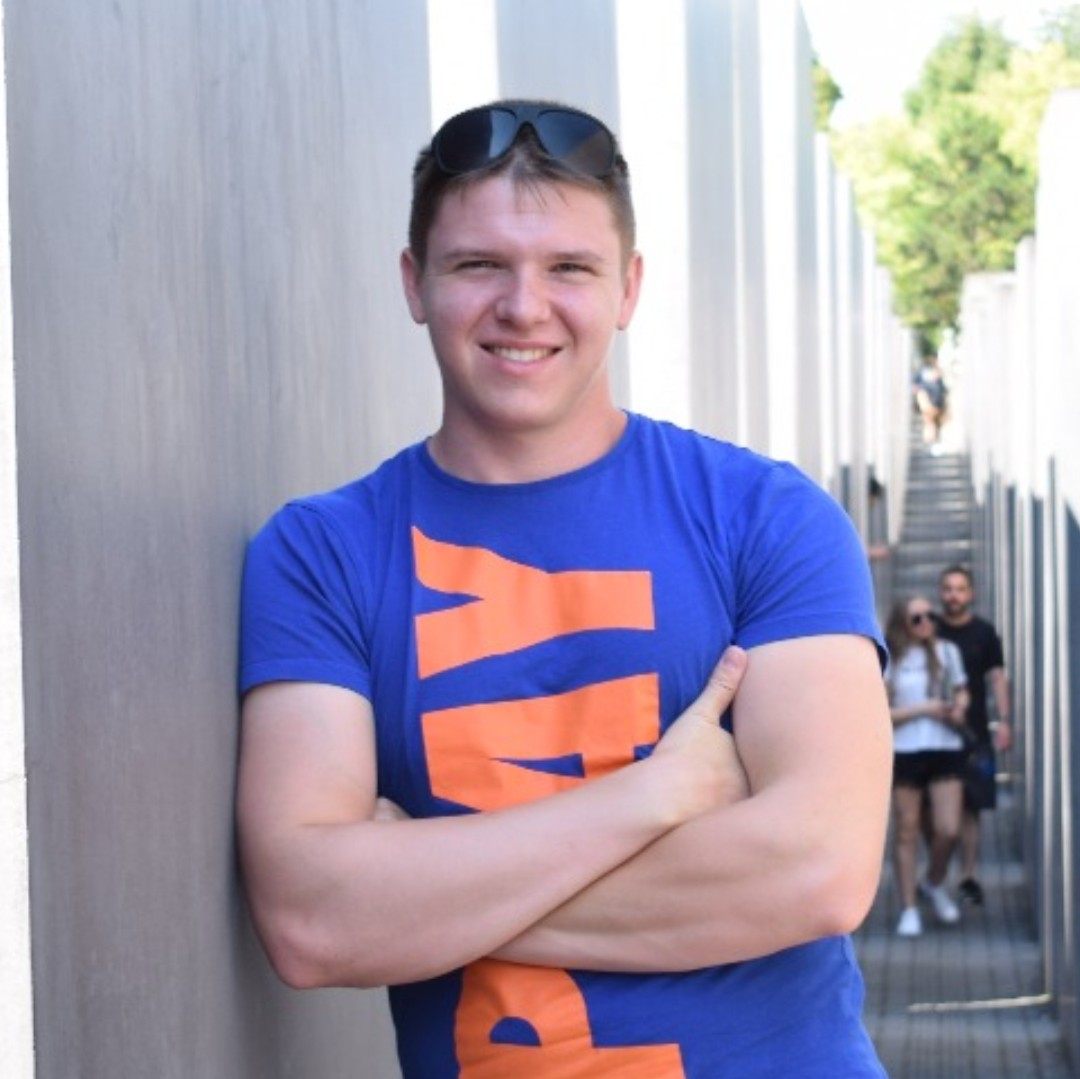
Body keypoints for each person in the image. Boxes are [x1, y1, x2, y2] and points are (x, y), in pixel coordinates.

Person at [236, 98, 893, 1077]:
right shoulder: (320, 553)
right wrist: (652, 797)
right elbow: (310, 919)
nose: (524, 306)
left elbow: (820, 869)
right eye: (479, 265)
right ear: (414, 283)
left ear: (628, 287)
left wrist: (422, 894)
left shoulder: (765, 516)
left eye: (569, 269)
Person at [884, 596, 971, 938]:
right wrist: (925, 709)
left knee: (948, 829)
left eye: (929, 615)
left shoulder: (948, 652)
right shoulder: (892, 659)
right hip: (905, 749)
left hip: (944, 746)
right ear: (902, 623)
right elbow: (882, 711)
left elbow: (962, 690)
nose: (925, 623)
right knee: (906, 830)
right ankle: (908, 907)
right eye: (916, 618)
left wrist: (958, 707)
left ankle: (933, 882)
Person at [934, 564, 1012, 906]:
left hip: (975, 733)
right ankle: (936, 875)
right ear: (941, 593)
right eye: (948, 588)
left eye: (960, 589)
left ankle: (968, 876)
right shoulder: (931, 630)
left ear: (971, 593)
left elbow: (997, 677)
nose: (954, 595)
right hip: (935, 733)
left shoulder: (984, 632)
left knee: (973, 806)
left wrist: (1004, 721)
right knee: (935, 812)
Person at [912, 353, 948, 452]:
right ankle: (929, 443)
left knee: (936, 424)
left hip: (937, 402)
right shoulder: (923, 371)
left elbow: (942, 389)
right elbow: (916, 384)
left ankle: (933, 443)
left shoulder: (937, 372)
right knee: (929, 422)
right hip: (928, 400)